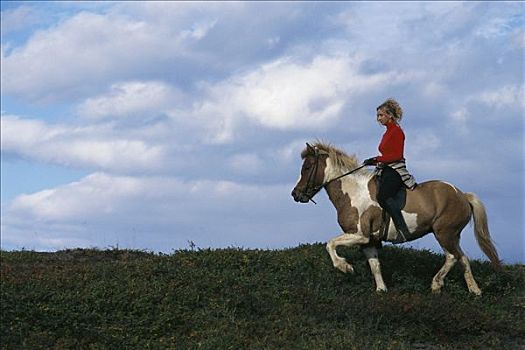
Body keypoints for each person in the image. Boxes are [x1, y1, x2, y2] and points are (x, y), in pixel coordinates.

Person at [363, 98, 416, 242]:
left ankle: (403, 231)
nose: (378, 118)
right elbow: (386, 155)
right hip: (385, 169)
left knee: (383, 197)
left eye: (381, 115)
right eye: (377, 116)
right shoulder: (387, 132)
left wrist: (377, 159)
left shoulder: (397, 132)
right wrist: (374, 160)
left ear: (390, 115)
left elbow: (396, 155)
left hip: (395, 171)